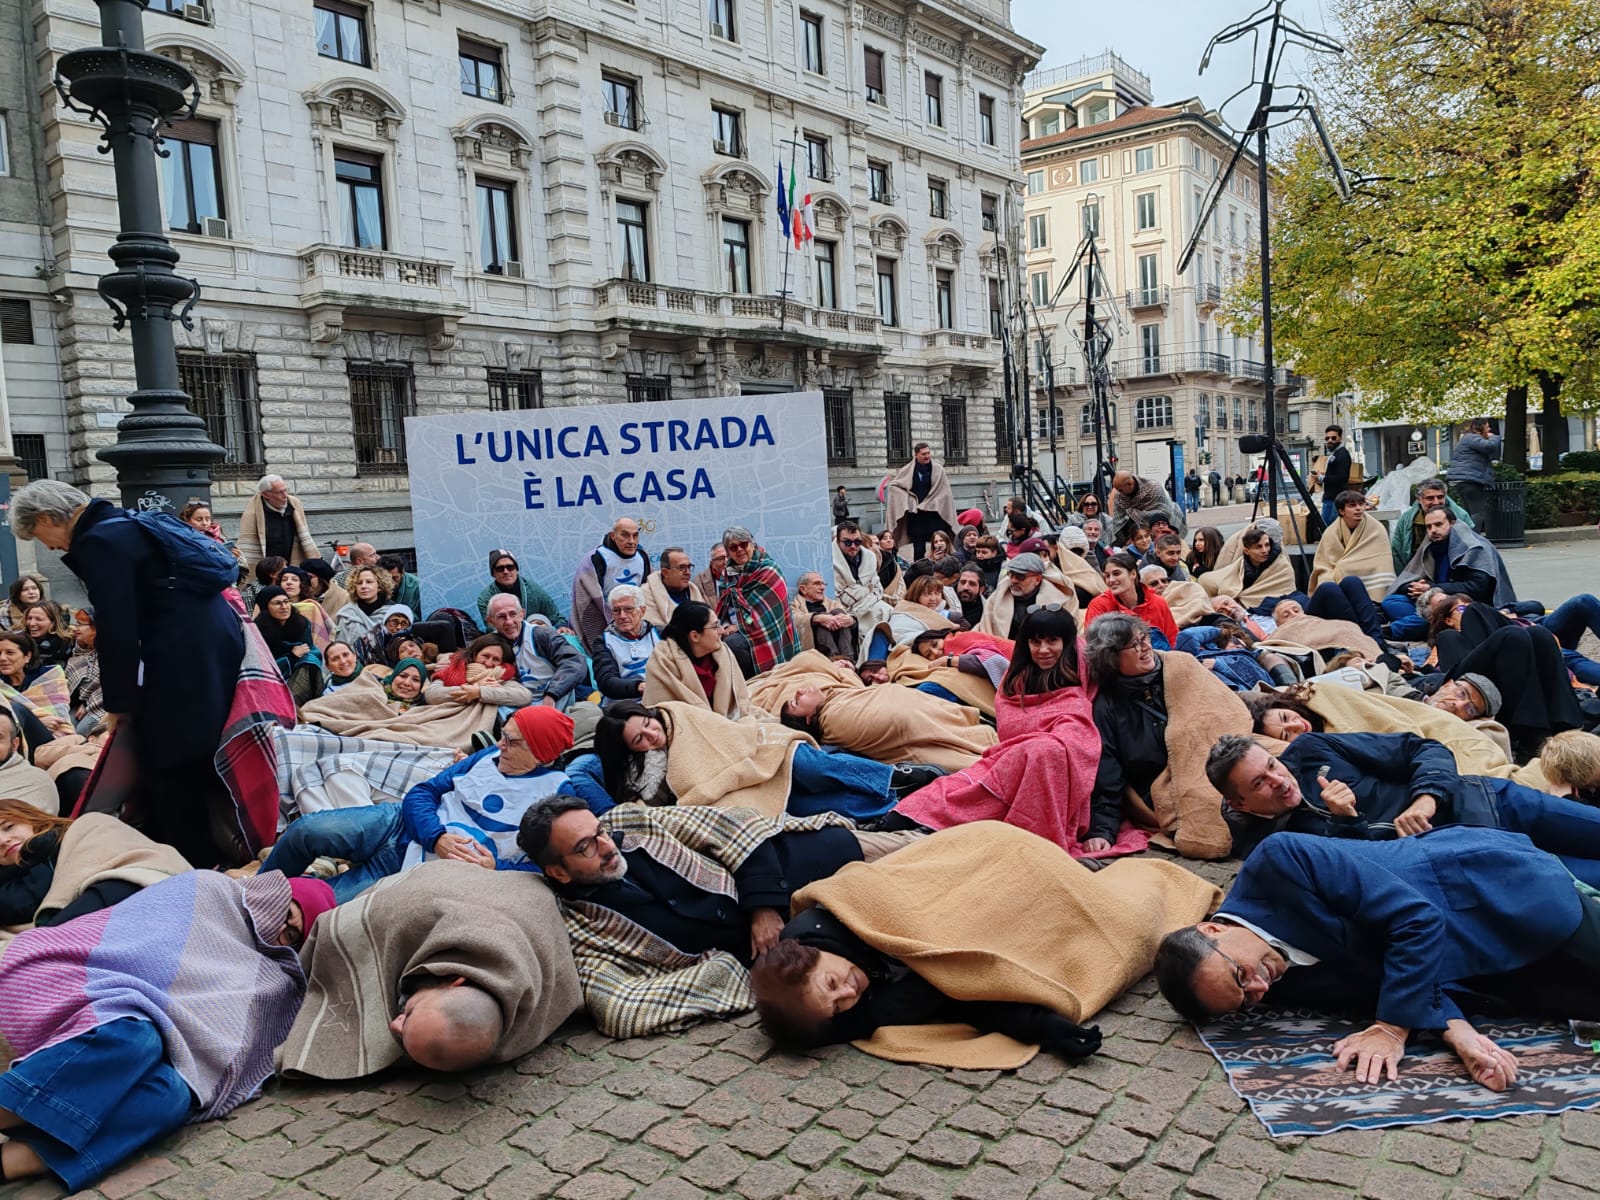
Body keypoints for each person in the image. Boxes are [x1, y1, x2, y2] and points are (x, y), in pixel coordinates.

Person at [1153, 826, 1600, 1092]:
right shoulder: (1276, 984)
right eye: (1246, 1001)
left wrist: (1391, 1028)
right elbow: (1379, 982)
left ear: (1213, 928)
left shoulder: (1279, 859)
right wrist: (1459, 1034)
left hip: (1498, 894)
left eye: (1239, 975)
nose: (1258, 989)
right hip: (1476, 970)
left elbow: (1414, 920)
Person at [10, 481, 281, 866]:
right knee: (197, 750)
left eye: (40, 536)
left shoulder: (100, 541)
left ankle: (192, 863)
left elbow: (117, 628)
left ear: (46, 517)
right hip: (207, 645)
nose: (49, 547)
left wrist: (118, 705)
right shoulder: (125, 523)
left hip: (178, 653)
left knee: (169, 761)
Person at [0, 869, 307, 1191]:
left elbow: (227, 1024)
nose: (280, 928)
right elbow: (148, 943)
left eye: (291, 935)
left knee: (173, 1094)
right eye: (286, 914)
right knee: (135, 1038)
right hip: (86, 978)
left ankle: (13, 1162)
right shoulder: (211, 889)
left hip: (160, 1029)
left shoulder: (265, 976)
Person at [521, 795, 909, 1036]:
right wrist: (730, 971)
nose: (606, 846)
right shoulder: (584, 928)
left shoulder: (631, 822)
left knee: (938, 851)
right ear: (557, 871)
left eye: (600, 832)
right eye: (586, 846)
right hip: (813, 938)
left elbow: (733, 823)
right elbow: (619, 1008)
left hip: (795, 864)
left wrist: (762, 907)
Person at [278, 859, 581, 1078]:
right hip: (439, 880)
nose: (393, 1025)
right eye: (409, 1015)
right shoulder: (419, 912)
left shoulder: (492, 1036)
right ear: (455, 981)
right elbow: (348, 923)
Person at [262, 705, 577, 902]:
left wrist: (496, 867)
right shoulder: (487, 757)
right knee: (308, 830)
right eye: (503, 735)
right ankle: (257, 891)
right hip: (400, 826)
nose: (500, 745)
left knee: (319, 905)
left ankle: (267, 909)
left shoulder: (557, 799)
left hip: (414, 872)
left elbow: (547, 869)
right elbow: (423, 792)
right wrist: (436, 836)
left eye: (511, 741)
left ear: (540, 752)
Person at [895, 606, 1133, 857]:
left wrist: (1101, 829)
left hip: (1049, 776)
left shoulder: (1088, 680)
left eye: (1052, 641)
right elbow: (1010, 734)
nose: (1043, 650)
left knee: (1044, 753)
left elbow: (1102, 760)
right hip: (1008, 763)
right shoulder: (1017, 678)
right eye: (1035, 641)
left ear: (1067, 642)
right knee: (941, 796)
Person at [1210, 731, 1600, 865]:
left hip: (1491, 803)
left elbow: (1425, 749)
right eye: (1259, 783)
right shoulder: (1267, 847)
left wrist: (1425, 798)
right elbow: (1358, 879)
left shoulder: (1312, 751)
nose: (1279, 780)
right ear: (1240, 804)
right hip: (1483, 857)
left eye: (1273, 765)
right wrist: (1345, 822)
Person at [592, 698, 930, 820]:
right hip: (737, 794)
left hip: (755, 749)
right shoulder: (642, 781)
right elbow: (680, 802)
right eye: (640, 739)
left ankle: (893, 776)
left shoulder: (674, 714)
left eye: (648, 725)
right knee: (810, 806)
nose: (652, 735)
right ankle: (899, 804)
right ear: (629, 750)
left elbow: (721, 734)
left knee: (809, 767)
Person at [764, 653, 997, 772]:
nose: (798, 692)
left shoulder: (835, 692)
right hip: (911, 724)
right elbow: (891, 721)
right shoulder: (833, 721)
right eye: (796, 702)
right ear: (807, 718)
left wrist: (841, 668)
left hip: (924, 709)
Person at [1384, 506, 1516, 640]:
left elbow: (1478, 587)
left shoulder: (1474, 547)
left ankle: (1408, 627)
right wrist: (1415, 587)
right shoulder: (1430, 545)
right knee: (1391, 601)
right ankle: (1430, 622)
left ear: (1453, 523)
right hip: (1431, 600)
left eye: (1438, 524)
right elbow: (1409, 577)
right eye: (1428, 527)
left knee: (1426, 620)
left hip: (1463, 604)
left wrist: (1433, 588)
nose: (1433, 530)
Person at [643, 601, 759, 719]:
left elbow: (741, 702)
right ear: (695, 636)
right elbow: (665, 718)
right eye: (715, 627)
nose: (722, 631)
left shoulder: (722, 653)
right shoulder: (662, 663)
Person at [715, 527, 798, 674]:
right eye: (734, 547)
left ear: (752, 544)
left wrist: (738, 627)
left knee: (733, 644)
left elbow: (765, 616)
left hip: (763, 630)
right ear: (728, 552)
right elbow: (724, 608)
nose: (740, 549)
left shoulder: (768, 570)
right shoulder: (728, 574)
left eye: (744, 544)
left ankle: (753, 682)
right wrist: (725, 626)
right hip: (733, 627)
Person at [483, 594, 588, 709]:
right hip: (516, 705)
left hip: (553, 700)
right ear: (490, 621)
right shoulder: (489, 645)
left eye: (513, 614)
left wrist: (553, 693)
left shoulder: (542, 635)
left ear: (522, 614)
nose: (509, 621)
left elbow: (575, 661)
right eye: (501, 616)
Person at [573, 517, 652, 650]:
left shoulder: (642, 557)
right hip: (603, 619)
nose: (631, 541)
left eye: (635, 536)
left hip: (635, 619)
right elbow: (587, 600)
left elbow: (647, 593)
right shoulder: (596, 558)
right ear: (613, 536)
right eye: (625, 535)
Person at [1309, 491, 1394, 601]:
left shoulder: (1377, 529)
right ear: (1341, 511)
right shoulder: (1331, 532)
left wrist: (1344, 566)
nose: (1358, 508)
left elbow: (1381, 560)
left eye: (1361, 504)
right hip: (1338, 574)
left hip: (1370, 572)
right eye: (1352, 505)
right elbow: (1324, 563)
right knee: (1326, 583)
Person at [1084, 553, 1179, 649]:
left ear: (1133, 574)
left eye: (1116, 573)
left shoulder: (1158, 602)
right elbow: (1095, 646)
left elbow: (1172, 640)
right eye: (1107, 576)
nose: (1111, 580)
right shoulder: (1099, 605)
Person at [1198, 522, 1296, 613]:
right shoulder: (1242, 562)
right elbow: (1229, 575)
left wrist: (1242, 598)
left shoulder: (1282, 565)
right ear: (1246, 551)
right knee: (1204, 580)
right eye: (1258, 547)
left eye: (1267, 545)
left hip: (1266, 609)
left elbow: (1286, 589)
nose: (1264, 550)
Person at [977, 552, 1075, 641]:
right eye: (1011, 575)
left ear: (1037, 580)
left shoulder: (1058, 600)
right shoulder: (999, 595)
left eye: (1020, 577)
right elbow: (984, 629)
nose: (1013, 581)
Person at [587, 584, 660, 703]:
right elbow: (607, 682)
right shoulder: (603, 642)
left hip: (662, 697)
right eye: (616, 611)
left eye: (628, 609)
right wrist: (639, 687)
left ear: (642, 610)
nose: (622, 616)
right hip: (625, 705)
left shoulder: (660, 634)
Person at [254, 585, 325, 705]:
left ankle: (296, 704)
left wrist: (298, 657)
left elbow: (310, 649)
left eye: (286, 602)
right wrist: (291, 656)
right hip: (270, 680)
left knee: (310, 660)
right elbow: (262, 665)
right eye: (277, 603)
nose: (284, 607)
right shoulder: (258, 631)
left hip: (300, 673)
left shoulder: (301, 623)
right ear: (266, 607)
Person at [832, 523, 896, 655]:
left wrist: (856, 592)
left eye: (857, 541)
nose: (853, 546)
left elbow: (878, 589)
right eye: (847, 542)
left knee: (888, 613)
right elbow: (837, 595)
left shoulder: (870, 557)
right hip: (845, 611)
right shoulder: (828, 559)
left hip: (870, 607)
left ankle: (878, 660)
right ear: (837, 541)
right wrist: (866, 590)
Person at [885, 443, 957, 560]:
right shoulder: (907, 470)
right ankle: (920, 571)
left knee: (940, 545)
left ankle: (943, 567)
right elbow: (894, 486)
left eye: (928, 453)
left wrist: (933, 502)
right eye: (923, 454)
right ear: (916, 455)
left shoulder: (938, 470)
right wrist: (909, 501)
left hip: (935, 515)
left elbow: (945, 491)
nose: (927, 456)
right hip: (917, 517)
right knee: (918, 549)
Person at [236, 473, 317, 573]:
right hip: (268, 568)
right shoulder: (252, 513)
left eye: (285, 490)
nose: (285, 495)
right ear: (265, 494)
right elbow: (248, 546)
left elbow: (304, 533)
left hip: (292, 562)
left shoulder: (295, 504)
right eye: (279, 492)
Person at [1391, 477, 1475, 572]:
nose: (1436, 502)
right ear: (1419, 499)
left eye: (1440, 497)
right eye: (1430, 498)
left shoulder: (1460, 517)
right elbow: (1396, 551)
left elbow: (1472, 550)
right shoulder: (1406, 520)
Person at [475, 548, 565, 629]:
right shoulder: (485, 599)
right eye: (500, 568)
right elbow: (492, 629)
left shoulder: (534, 590)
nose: (506, 572)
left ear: (516, 569)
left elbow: (556, 618)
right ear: (493, 573)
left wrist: (561, 627)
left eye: (510, 567)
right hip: (506, 641)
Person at [333, 565, 407, 651]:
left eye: (369, 582)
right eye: (359, 583)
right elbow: (340, 646)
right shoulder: (346, 614)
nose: (363, 586)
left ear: (379, 586)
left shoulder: (395, 613)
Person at [791, 571, 860, 663]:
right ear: (803, 589)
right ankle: (833, 657)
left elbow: (848, 616)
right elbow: (794, 620)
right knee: (822, 617)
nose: (822, 588)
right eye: (817, 584)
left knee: (838, 612)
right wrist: (816, 618)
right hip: (817, 651)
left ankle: (848, 658)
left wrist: (851, 620)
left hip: (840, 644)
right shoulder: (795, 605)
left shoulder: (833, 604)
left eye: (823, 584)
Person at [1447, 418, 1502, 530]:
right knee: (1478, 512)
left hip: (1460, 479)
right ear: (1480, 427)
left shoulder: (1468, 438)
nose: (1489, 429)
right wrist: (1495, 437)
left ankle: (1464, 538)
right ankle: (1474, 539)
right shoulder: (1472, 438)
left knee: (1466, 512)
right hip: (1470, 481)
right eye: (1487, 427)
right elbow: (1489, 446)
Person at [1110, 471, 1184, 543]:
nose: (1119, 493)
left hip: (1166, 522)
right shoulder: (1120, 495)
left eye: (1121, 490)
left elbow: (1162, 513)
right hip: (1139, 530)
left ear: (1129, 484)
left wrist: (1132, 512)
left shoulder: (1153, 487)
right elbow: (1118, 521)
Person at [641, 546, 704, 628]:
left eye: (689, 567)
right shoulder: (646, 594)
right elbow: (652, 630)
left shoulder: (694, 591)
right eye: (682, 568)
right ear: (665, 572)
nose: (688, 573)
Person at [1312, 424, 1353, 526]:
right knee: (1328, 528)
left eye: (1333, 438)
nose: (1330, 440)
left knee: (1329, 528)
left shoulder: (1342, 454)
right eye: (1327, 438)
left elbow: (1341, 477)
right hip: (1331, 497)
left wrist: (1321, 477)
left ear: (1340, 438)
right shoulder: (1336, 453)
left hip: (1335, 498)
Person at [378, 554, 423, 620]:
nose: (390, 583)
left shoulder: (417, 586)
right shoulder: (374, 584)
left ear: (402, 573)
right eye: (386, 578)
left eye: (394, 578)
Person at [694, 542, 730, 608]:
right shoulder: (700, 581)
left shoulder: (742, 575)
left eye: (728, 557)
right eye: (721, 558)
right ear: (712, 563)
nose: (726, 561)